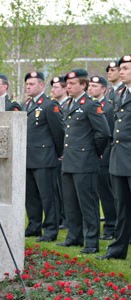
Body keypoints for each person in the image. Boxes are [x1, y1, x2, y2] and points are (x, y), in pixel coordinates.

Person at [57, 69, 110, 254]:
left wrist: (93, 152)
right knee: (70, 202)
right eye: (67, 84)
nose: (68, 87)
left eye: (72, 84)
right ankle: (74, 236)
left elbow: (103, 133)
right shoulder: (69, 104)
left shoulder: (90, 105)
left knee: (88, 204)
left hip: (85, 161)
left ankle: (91, 242)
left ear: (83, 85)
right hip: (70, 160)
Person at [23, 71, 64, 242]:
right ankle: (34, 226)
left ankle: (50, 229)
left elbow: (59, 131)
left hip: (44, 158)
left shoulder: (49, 105)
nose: (28, 87)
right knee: (31, 196)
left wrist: (59, 153)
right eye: (27, 84)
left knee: (48, 197)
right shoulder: (26, 105)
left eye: (32, 84)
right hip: (28, 157)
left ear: (41, 85)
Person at [98, 54, 131, 260]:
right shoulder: (120, 94)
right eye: (122, 68)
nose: (122, 71)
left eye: (127, 68)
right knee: (122, 207)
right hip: (119, 158)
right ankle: (118, 249)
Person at [87, 75, 116, 240]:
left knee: (107, 195)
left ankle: (111, 227)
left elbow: (108, 134)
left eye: (95, 86)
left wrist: (102, 153)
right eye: (90, 85)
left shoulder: (108, 107)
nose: (91, 88)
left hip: (104, 156)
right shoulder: (91, 105)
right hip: (94, 156)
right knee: (98, 194)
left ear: (104, 89)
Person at [50, 76, 69, 228]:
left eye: (57, 87)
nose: (53, 90)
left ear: (64, 89)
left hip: (69, 152)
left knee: (67, 189)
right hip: (59, 153)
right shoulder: (54, 105)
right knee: (59, 188)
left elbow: (61, 131)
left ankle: (68, 218)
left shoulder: (69, 104)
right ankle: (62, 217)